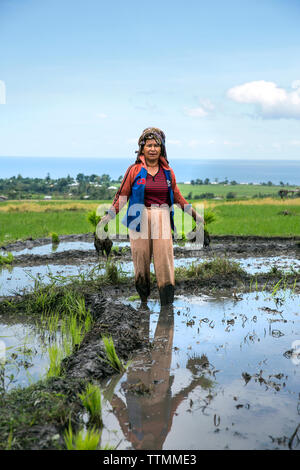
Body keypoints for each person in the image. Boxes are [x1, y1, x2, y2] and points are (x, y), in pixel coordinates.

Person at [97, 127, 204, 305]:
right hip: (138, 217)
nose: (153, 149)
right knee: (141, 262)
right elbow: (121, 196)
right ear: (142, 148)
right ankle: (144, 302)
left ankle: (166, 305)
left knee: (165, 263)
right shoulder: (134, 170)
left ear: (162, 148)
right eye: (149, 145)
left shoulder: (168, 172)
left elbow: (177, 197)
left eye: (156, 145)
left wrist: (195, 215)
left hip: (162, 217)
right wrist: (106, 218)